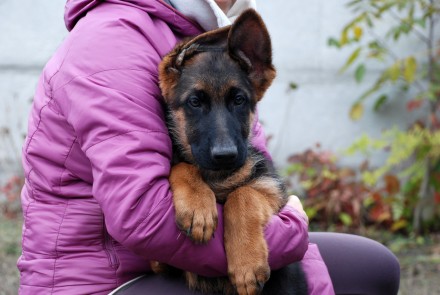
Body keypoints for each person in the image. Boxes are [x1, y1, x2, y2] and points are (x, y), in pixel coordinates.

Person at [17, 0, 400, 294]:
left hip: (196, 252)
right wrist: (291, 233)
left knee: (374, 265)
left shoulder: (211, 40)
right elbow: (142, 217)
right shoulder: (109, 42)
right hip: (103, 279)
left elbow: (260, 178)